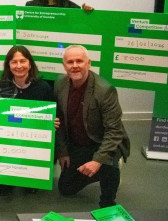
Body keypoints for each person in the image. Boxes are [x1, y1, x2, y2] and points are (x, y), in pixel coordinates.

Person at [55, 45, 130, 208]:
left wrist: (98, 160)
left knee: (108, 163)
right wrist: (63, 151)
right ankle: (99, 171)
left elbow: (114, 131)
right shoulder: (59, 84)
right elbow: (58, 121)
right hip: (80, 144)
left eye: (79, 61)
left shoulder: (105, 90)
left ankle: (108, 189)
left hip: (104, 142)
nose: (75, 65)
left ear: (88, 63)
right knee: (66, 188)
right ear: (64, 65)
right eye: (70, 62)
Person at [0, 46, 55, 196]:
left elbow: (51, 118)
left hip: (33, 143)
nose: (19, 66)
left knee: (30, 188)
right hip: (9, 142)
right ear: (8, 66)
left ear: (30, 64)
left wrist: (53, 122)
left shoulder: (43, 87)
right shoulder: (1, 87)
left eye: (23, 61)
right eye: (14, 62)